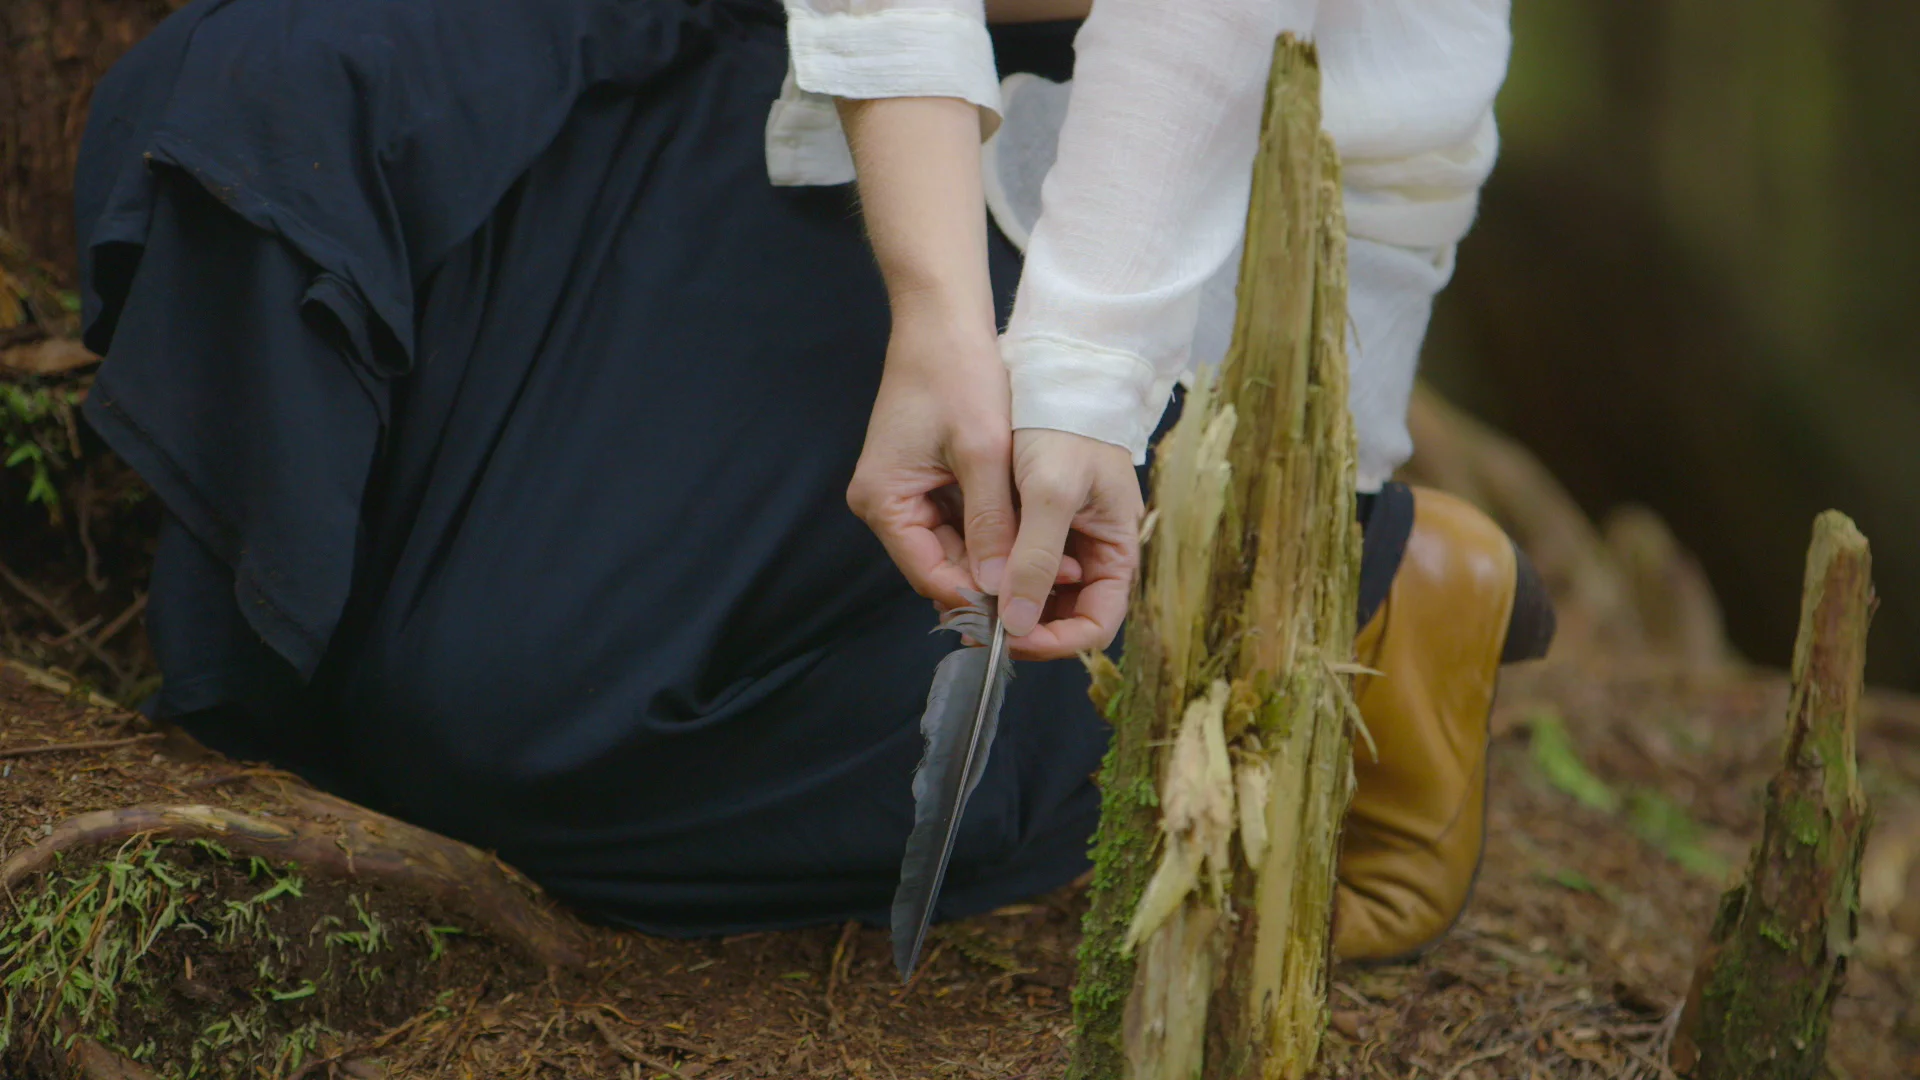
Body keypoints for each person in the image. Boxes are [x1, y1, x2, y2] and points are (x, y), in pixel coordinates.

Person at [74, 0, 1544, 962]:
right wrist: (928, 301)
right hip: (793, 51)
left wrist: (1073, 371)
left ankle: (1355, 586)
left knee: (506, 726)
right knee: (262, 102)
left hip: (1124, 161)